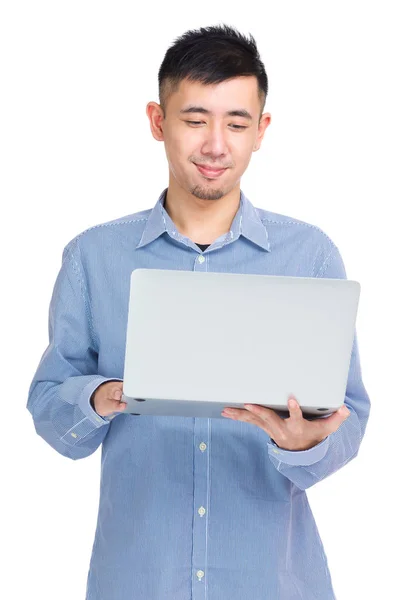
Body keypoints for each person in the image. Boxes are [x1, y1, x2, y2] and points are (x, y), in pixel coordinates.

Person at [27, 23, 371, 600]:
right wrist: (102, 395)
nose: (216, 144)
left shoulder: (308, 254)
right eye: (195, 120)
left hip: (274, 583)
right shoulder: (94, 256)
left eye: (237, 123)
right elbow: (49, 407)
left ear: (261, 131)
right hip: (138, 581)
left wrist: (303, 442)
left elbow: (348, 416)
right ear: (158, 122)